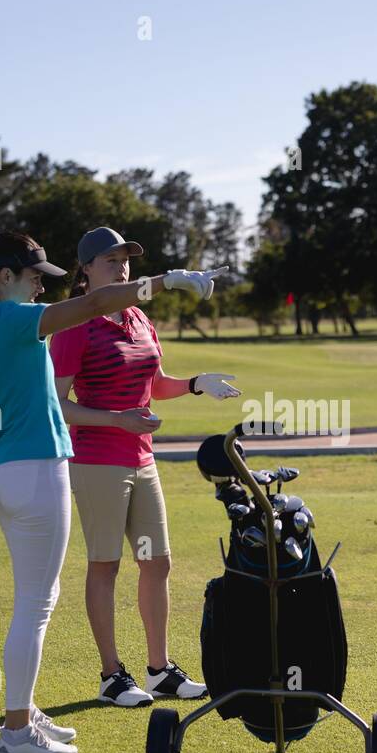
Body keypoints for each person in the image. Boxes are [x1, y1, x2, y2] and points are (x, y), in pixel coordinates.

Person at [0, 229, 216, 753]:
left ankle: (26, 713)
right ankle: (16, 732)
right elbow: (95, 303)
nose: (41, 289)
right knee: (36, 605)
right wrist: (168, 281)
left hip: (2, 474)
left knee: (34, 600)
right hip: (37, 472)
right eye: (36, 278)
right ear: (6, 277)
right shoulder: (15, 319)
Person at [50, 226, 241, 706]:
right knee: (105, 565)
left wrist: (197, 382)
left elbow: (154, 384)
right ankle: (112, 676)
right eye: (110, 260)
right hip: (97, 461)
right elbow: (57, 404)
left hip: (142, 458)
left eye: (125, 259)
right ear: (87, 270)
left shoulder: (138, 318)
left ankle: (160, 670)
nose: (121, 267)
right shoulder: (76, 325)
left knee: (157, 562)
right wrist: (119, 420)